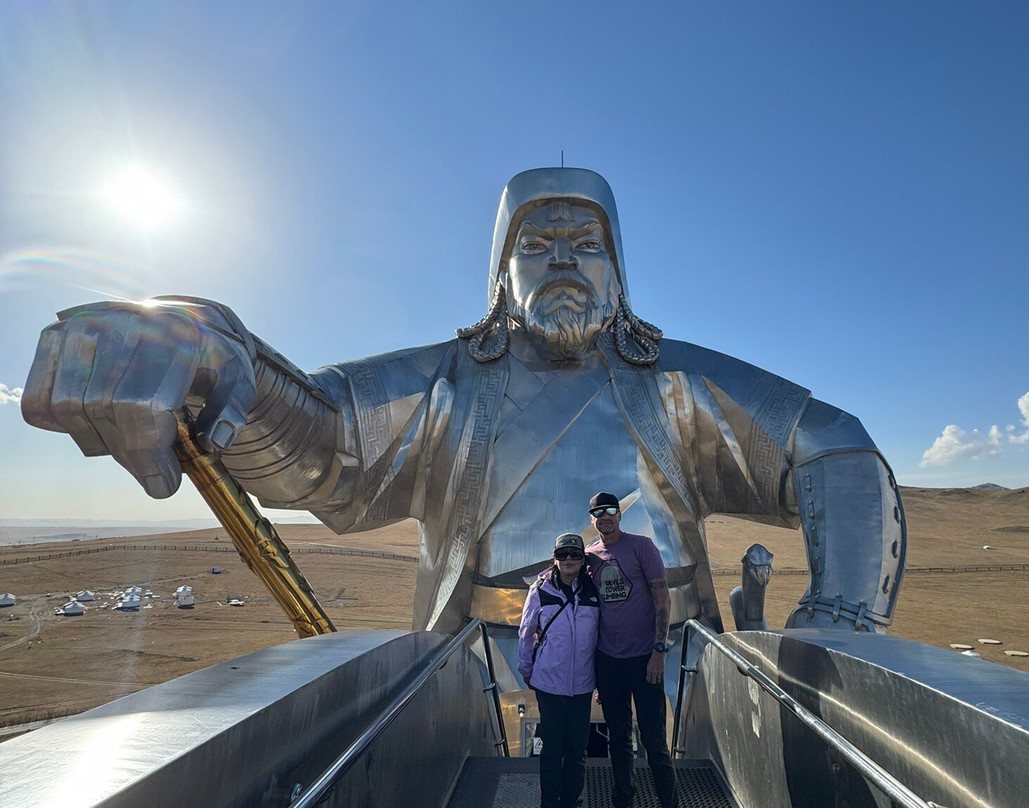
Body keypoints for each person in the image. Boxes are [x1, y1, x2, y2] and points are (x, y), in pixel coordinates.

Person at [22, 167, 907, 649]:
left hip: (676, 665)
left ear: (619, 269)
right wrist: (216, 354)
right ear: (502, 272)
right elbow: (321, 445)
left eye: (587, 244)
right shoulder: (446, 385)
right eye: (538, 244)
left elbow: (835, 447)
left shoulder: (679, 385)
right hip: (481, 668)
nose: (564, 259)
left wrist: (844, 617)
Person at [585, 491, 677, 808]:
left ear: (620, 514)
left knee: (654, 741)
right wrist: (597, 676)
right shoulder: (590, 555)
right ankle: (623, 799)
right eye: (599, 512)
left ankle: (668, 801)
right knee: (618, 740)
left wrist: (659, 652)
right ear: (592, 519)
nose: (606, 516)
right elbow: (591, 613)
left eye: (611, 510)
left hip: (644, 660)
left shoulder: (641, 547)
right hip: (609, 663)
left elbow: (663, 599)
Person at [518, 532, 600, 808]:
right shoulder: (540, 590)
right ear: (555, 558)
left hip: (582, 685)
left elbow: (602, 634)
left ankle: (571, 802)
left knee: (577, 750)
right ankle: (549, 803)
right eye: (563, 554)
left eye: (575, 555)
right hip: (550, 683)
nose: (568, 560)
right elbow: (526, 631)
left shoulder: (592, 590)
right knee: (552, 749)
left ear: (582, 559)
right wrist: (526, 668)